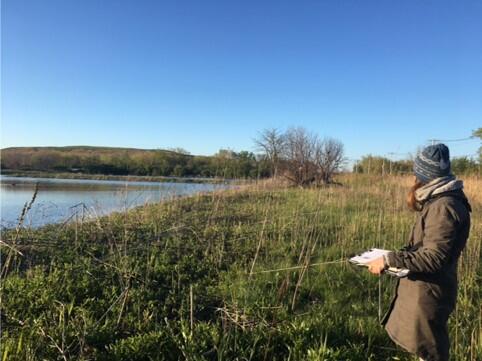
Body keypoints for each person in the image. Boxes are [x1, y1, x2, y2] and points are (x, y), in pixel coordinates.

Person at [366, 143, 471, 361]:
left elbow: (433, 258)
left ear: (424, 175)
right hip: (426, 290)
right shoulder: (440, 200)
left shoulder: (444, 206)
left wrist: (388, 259)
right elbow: (431, 249)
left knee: (431, 353)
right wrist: (397, 260)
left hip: (429, 293)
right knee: (426, 351)